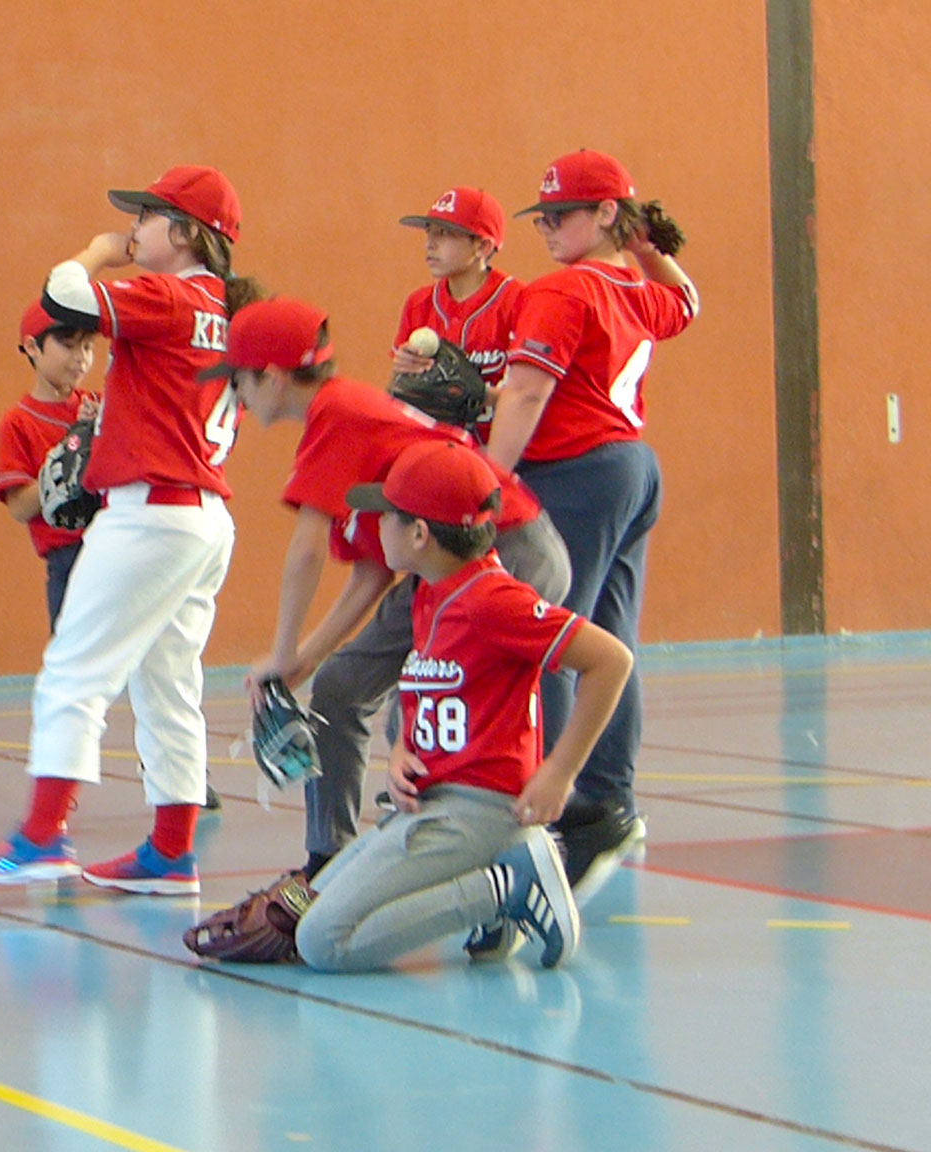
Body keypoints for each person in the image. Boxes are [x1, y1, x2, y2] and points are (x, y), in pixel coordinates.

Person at [0, 165, 257, 896]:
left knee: (72, 672)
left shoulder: (172, 294)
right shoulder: (231, 312)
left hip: (151, 513)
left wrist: (95, 252)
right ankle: (171, 851)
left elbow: (62, 294)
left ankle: (41, 838)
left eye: (147, 217)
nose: (133, 228)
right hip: (203, 517)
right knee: (169, 685)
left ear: (183, 233)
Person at [223, 298, 570, 928]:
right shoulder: (345, 420)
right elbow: (373, 572)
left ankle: (500, 879)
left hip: (503, 549)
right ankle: (329, 864)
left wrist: (282, 649)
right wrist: (306, 660)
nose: (236, 395)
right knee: (341, 687)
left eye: (238, 380)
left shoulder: (337, 413)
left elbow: (306, 550)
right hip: (454, 562)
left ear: (270, 377)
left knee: (448, 718)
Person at [289, 438, 633, 972]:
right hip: (434, 803)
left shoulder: (493, 601)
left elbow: (611, 660)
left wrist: (560, 772)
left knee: (321, 942)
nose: (377, 525)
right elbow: (436, 685)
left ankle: (504, 889)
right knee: (309, 903)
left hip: (479, 812)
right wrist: (403, 750)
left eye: (388, 515)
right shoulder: (432, 590)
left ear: (420, 534)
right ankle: (494, 890)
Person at [485, 150, 699, 901]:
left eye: (562, 214)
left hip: (575, 471)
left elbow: (525, 393)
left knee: (547, 638)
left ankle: (548, 804)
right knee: (609, 638)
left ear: (606, 213)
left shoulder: (565, 288)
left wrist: (485, 483)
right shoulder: (633, 287)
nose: (547, 228)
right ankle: (606, 800)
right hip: (631, 467)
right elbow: (688, 302)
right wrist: (649, 252)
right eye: (541, 217)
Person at [0, 301, 97, 627]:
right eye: (68, 345)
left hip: (114, 546)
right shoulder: (18, 422)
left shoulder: (98, 405)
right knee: (72, 649)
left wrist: (102, 429)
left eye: (87, 347)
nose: (81, 358)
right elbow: (19, 508)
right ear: (32, 347)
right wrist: (62, 463)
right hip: (67, 558)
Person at [388, 187, 520, 433]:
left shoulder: (519, 302)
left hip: (497, 447)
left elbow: (533, 397)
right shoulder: (418, 303)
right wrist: (403, 369)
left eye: (445, 233)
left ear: (482, 247)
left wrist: (479, 395)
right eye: (429, 232)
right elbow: (400, 390)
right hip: (434, 446)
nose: (430, 243)